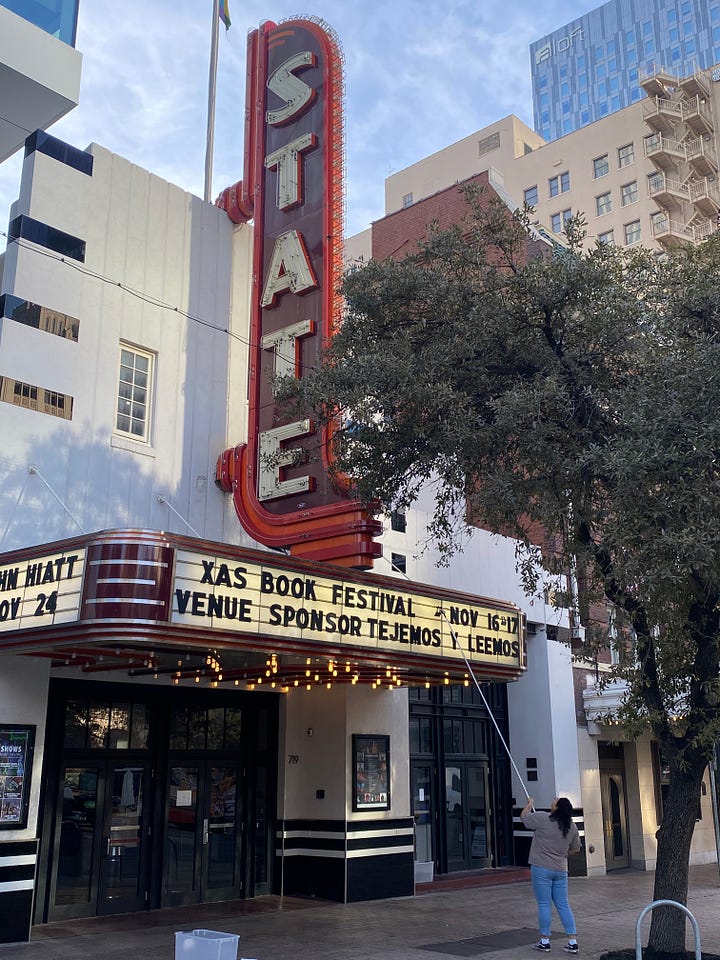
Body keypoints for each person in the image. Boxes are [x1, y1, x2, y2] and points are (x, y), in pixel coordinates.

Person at [521, 796, 581, 954]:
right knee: (563, 904)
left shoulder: (543, 818)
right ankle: (573, 941)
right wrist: (564, 853)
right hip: (561, 869)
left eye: (555, 800)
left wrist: (529, 804)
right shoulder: (572, 827)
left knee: (544, 904)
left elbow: (524, 818)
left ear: (556, 807)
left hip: (541, 867)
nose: (553, 800)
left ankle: (545, 940)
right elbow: (576, 849)